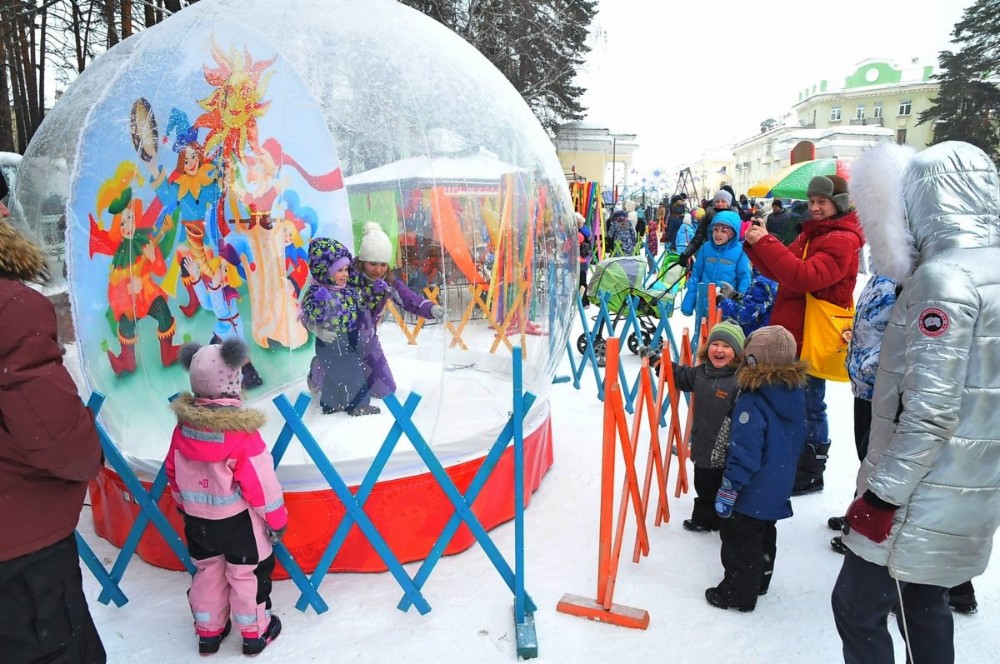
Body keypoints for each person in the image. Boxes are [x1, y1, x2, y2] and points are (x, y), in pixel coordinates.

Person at [831, 141, 1000, 664]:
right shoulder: (990, 268)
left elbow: (929, 409)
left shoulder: (943, 279)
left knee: (857, 607)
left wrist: (881, 499)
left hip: (918, 490)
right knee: (922, 604)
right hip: (968, 481)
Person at [1, 214, 107, 662]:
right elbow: (59, 441)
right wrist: (90, 454)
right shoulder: (10, 308)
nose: (7, 212)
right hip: (21, 549)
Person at [743, 174, 864, 496]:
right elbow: (780, 271)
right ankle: (793, 462)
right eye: (811, 202)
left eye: (822, 202)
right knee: (794, 402)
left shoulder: (841, 240)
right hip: (797, 331)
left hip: (814, 333)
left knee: (810, 404)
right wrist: (758, 244)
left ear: (839, 203)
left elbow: (804, 276)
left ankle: (810, 472)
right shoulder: (814, 234)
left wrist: (767, 243)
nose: (815, 207)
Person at [167, 339, 288, 656]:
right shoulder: (242, 435)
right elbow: (262, 484)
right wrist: (276, 519)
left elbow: (172, 470)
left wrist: (183, 504)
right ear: (234, 381)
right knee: (246, 574)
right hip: (237, 524)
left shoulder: (183, 430)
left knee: (208, 571)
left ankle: (208, 631)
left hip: (197, 521)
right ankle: (254, 632)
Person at [708, 325, 806, 612]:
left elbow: (745, 453)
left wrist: (730, 487)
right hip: (776, 485)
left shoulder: (752, 401)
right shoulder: (793, 394)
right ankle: (760, 579)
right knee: (764, 534)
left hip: (751, 489)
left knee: (739, 540)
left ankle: (737, 592)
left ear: (753, 360)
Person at [642, 320, 745, 533]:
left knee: (727, 489)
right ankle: (705, 520)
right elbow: (679, 375)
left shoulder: (739, 381)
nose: (719, 350)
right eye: (715, 344)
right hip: (703, 445)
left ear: (736, 353)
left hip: (727, 450)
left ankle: (730, 523)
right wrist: (657, 362)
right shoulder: (701, 373)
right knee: (704, 486)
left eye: (727, 346)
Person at [350, 222, 444, 399]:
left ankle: (365, 373)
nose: (378, 270)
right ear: (362, 261)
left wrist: (431, 308)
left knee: (386, 389)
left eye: (383, 264)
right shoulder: (347, 278)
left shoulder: (388, 282)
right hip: (344, 342)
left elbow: (408, 298)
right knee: (350, 393)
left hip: (368, 341)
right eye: (373, 264)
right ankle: (320, 373)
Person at [302, 238, 381, 416]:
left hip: (349, 338)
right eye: (339, 270)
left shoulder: (346, 290)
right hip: (331, 341)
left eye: (346, 269)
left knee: (334, 373)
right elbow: (310, 315)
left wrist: (375, 292)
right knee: (352, 371)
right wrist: (320, 307)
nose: (345, 274)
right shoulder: (317, 291)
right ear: (325, 271)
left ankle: (330, 403)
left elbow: (363, 303)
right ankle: (360, 405)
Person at [680, 210, 751, 343]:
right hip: (704, 302)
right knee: (702, 337)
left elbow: (744, 279)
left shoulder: (740, 252)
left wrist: (739, 304)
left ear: (733, 233)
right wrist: (688, 303)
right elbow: (696, 276)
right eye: (715, 230)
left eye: (724, 231)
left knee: (721, 339)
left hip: (726, 305)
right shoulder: (706, 248)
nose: (718, 234)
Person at [678, 188, 735, 267]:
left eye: (723, 201)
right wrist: (686, 253)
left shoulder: (734, 219)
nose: (720, 204)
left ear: (728, 203)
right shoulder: (708, 217)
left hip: (728, 258)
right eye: (717, 201)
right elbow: (698, 238)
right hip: (710, 255)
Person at [718, 268, 778, 336]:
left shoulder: (763, 282)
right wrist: (735, 296)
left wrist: (721, 301)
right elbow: (755, 302)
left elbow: (744, 315)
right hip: (767, 333)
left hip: (758, 336)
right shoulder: (771, 277)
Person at [576, 212, 593, 307]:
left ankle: (584, 302)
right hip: (583, 260)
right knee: (582, 281)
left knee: (580, 282)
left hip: (578, 261)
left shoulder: (578, 234)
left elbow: (568, 245)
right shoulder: (585, 231)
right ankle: (584, 302)